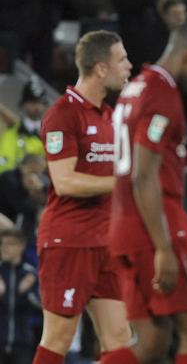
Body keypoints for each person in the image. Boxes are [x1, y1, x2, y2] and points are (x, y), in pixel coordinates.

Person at [101, 22, 187, 364]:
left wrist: (186, 230)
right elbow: (144, 176)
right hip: (151, 226)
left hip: (125, 226)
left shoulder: (136, 87)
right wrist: (166, 246)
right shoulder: (162, 95)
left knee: (152, 342)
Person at [32, 30, 132, 364]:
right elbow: (65, 182)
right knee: (58, 338)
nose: (128, 67)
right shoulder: (63, 113)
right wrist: (121, 183)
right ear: (101, 68)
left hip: (106, 242)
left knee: (119, 340)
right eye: (121, 60)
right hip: (69, 241)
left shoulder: (108, 115)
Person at [0, 228, 40, 363]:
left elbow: (42, 306)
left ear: (21, 246)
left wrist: (28, 293)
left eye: (9, 244)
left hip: (23, 341)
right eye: (2, 244)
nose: (4, 248)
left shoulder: (31, 274)